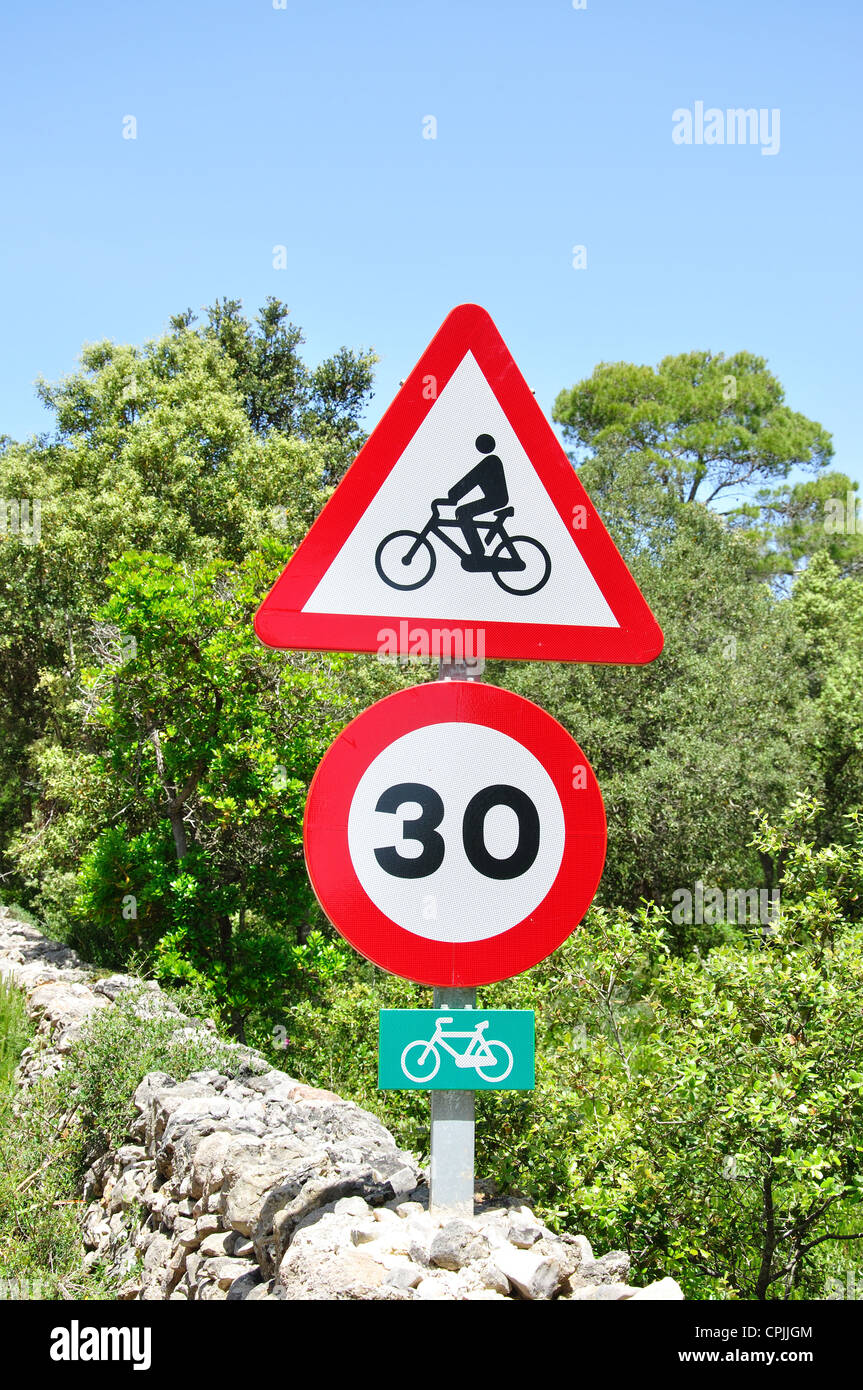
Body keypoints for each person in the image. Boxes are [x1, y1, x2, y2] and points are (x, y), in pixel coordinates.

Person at [434, 434, 509, 562]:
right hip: (495, 498)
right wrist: (453, 496)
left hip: (497, 499)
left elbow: (471, 480)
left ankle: (478, 554)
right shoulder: (490, 461)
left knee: (462, 512)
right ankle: (478, 552)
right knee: (462, 512)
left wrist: (453, 496)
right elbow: (471, 480)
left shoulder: (490, 462)